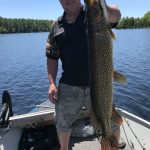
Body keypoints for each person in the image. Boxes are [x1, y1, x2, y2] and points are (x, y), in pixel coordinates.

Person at [45, 0, 124, 150]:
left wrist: (102, 6)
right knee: (63, 122)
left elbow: (116, 16)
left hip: (99, 85)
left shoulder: (93, 16)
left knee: (111, 121)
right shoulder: (56, 27)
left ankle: (112, 146)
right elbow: (51, 58)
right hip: (69, 85)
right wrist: (51, 83)